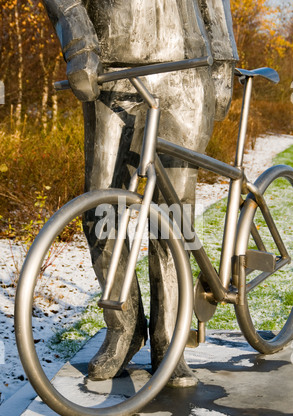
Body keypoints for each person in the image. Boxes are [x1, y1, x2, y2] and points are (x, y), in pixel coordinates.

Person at [42, 0, 238, 386]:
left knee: (173, 218)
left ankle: (170, 340)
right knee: (101, 209)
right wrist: (79, 42)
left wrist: (224, 58)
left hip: (188, 66)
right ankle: (124, 329)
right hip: (115, 68)